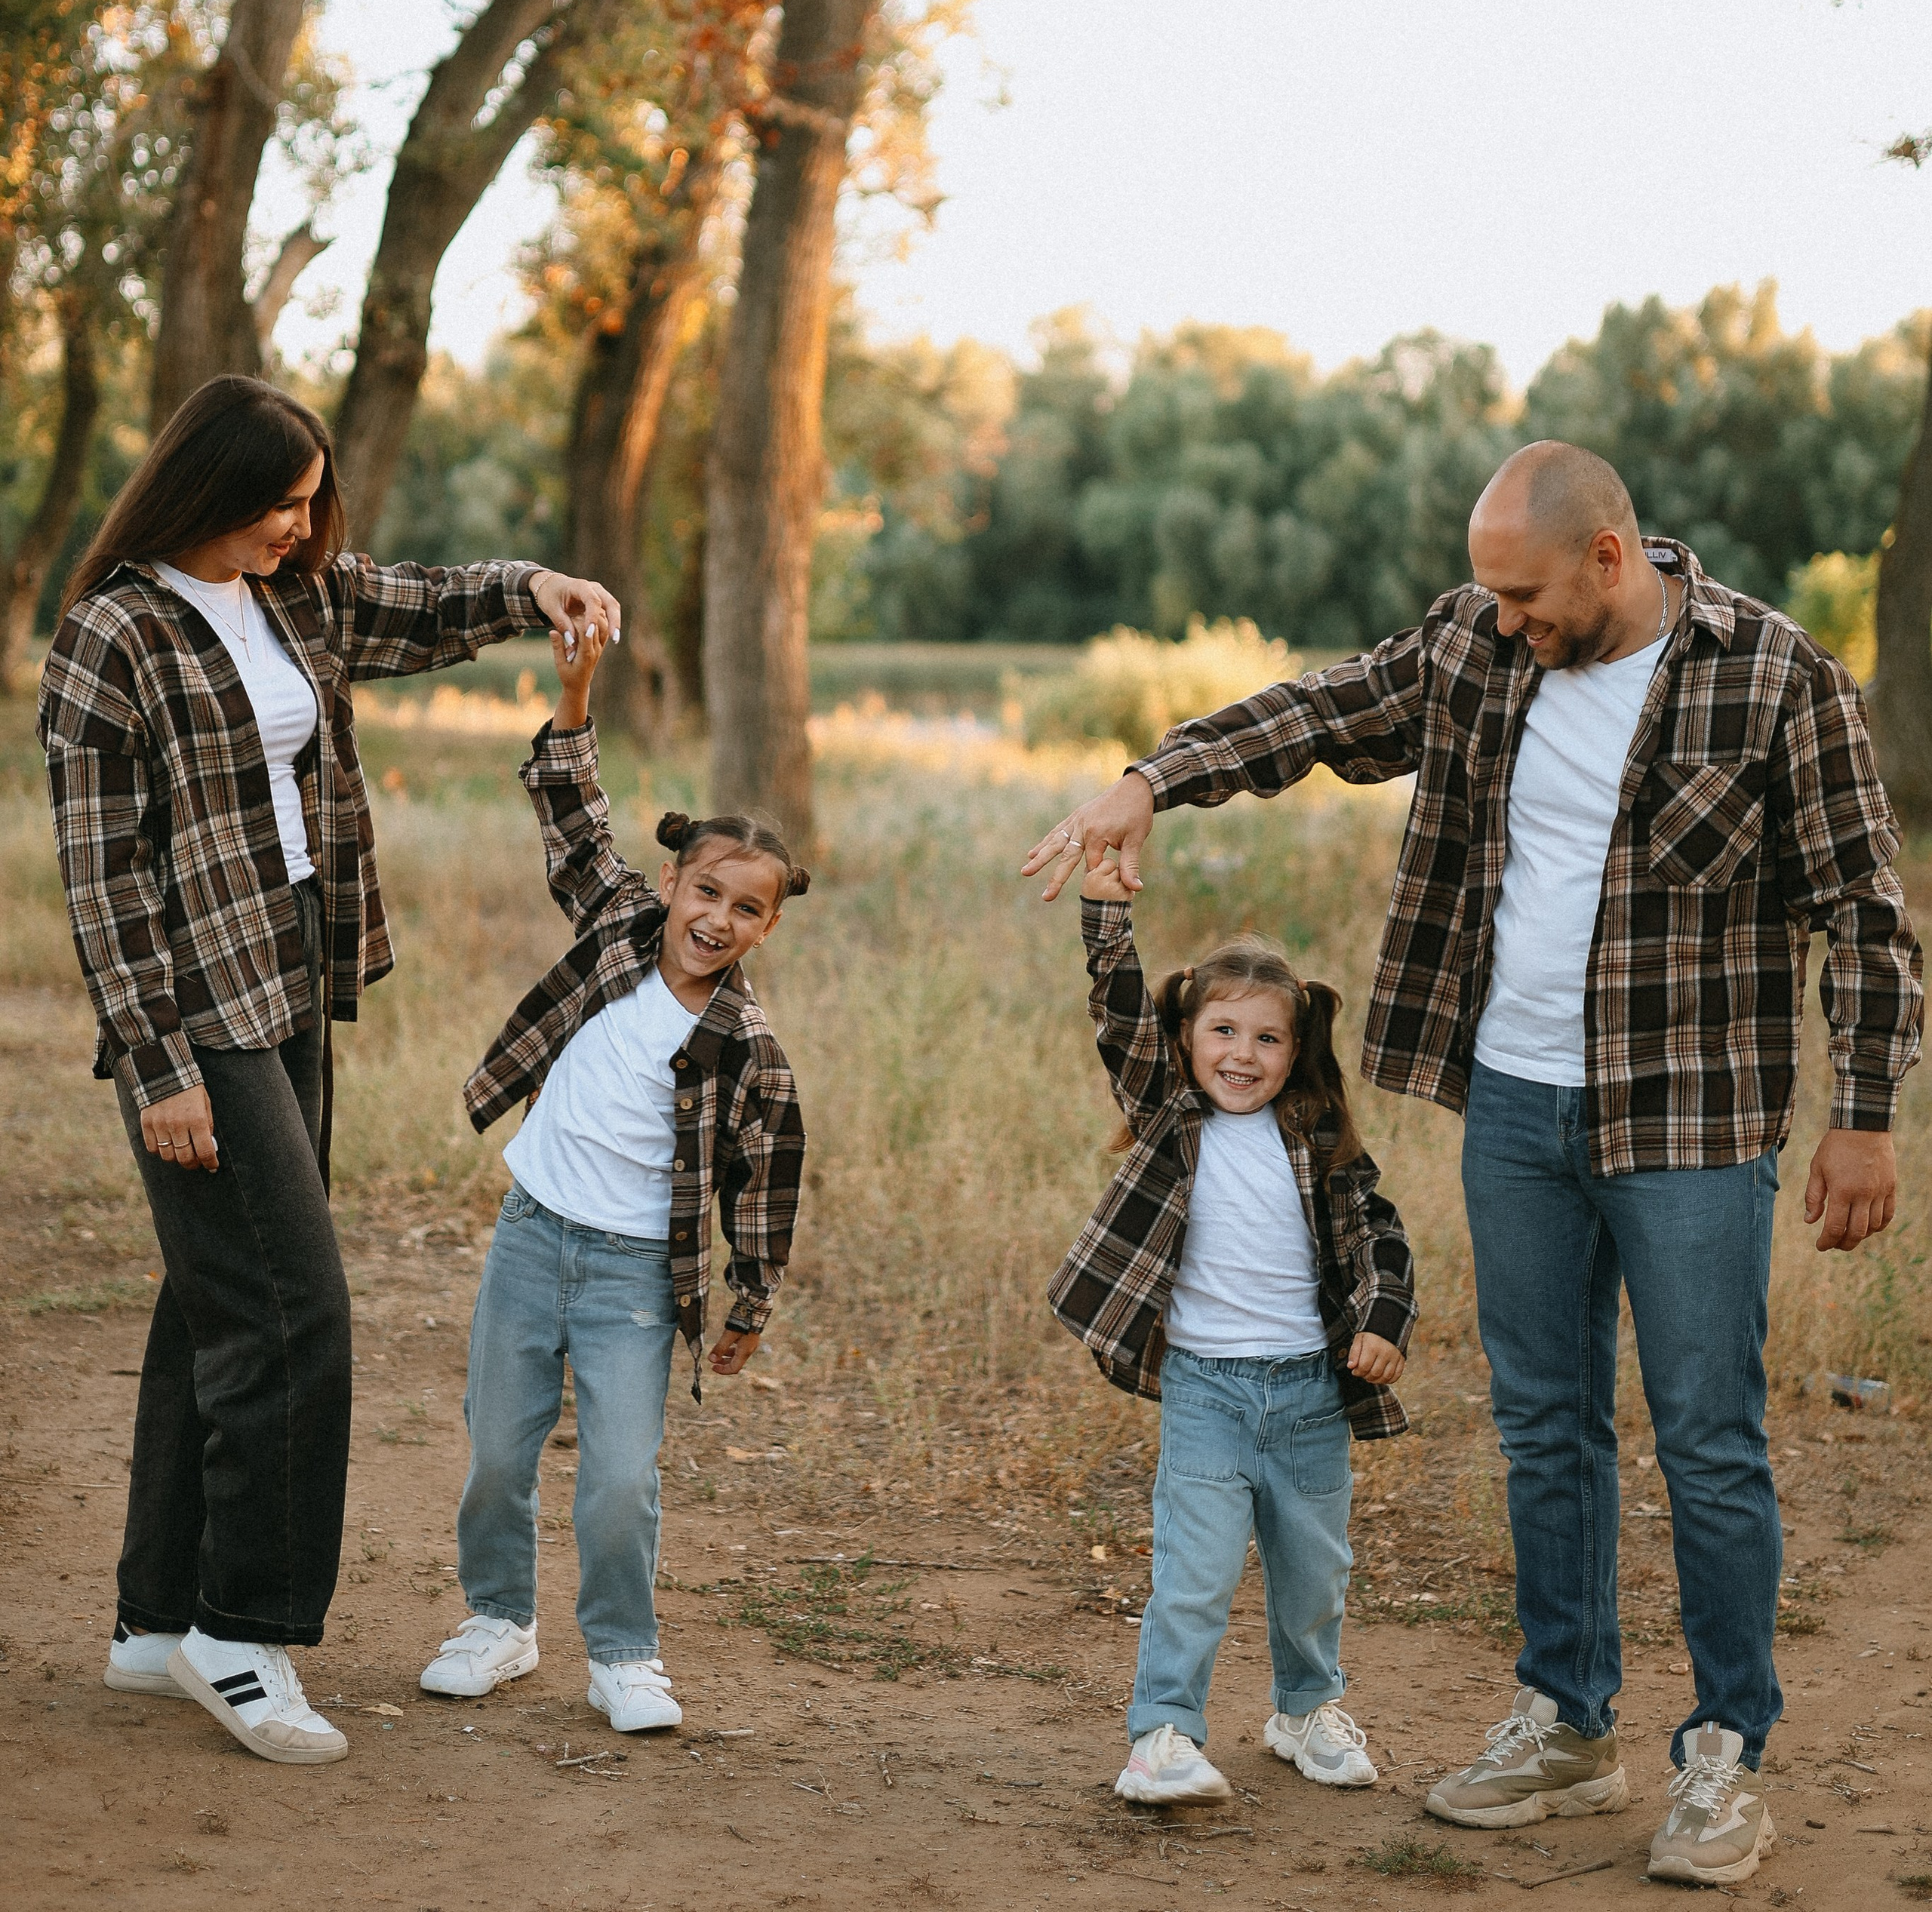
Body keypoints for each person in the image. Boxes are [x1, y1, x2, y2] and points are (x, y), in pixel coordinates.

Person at [1023, 441, 1921, 1889]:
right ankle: (1571, 1721)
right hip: (1516, 1104)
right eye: (1491, 594)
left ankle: (1724, 1752)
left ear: (1610, 558)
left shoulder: (1772, 675)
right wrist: (1154, 776)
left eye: (1526, 591)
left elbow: (1865, 908)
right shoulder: (1472, 643)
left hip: (1692, 1119)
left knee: (1707, 1436)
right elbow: (1319, 710)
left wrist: (1864, 1110)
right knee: (1546, 1423)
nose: (1504, 618)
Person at [38, 373, 621, 1766]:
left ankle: (150, 1620)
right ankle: (242, 1633)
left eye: (312, 507)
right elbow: (104, 880)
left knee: (212, 1298)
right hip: (199, 1004)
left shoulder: (292, 594)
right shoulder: (110, 635)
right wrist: (155, 1060)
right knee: (294, 1314)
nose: (301, 531)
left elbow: (409, 600)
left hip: (295, 969)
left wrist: (531, 584)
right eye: (278, 505)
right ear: (203, 489)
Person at [420, 611, 807, 1734]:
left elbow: (768, 1185)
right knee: (498, 1449)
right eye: (706, 894)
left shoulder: (752, 1054)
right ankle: (499, 1621)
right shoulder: (616, 929)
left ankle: (625, 1653)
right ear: (674, 883)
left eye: (747, 909)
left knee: (622, 1478)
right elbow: (572, 817)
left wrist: (749, 1303)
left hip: (640, 1272)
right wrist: (578, 692)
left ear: (768, 926)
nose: (717, 920)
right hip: (534, 1234)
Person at [1049, 850, 1415, 1808]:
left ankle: (1305, 1709)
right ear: (1185, 1037)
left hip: (1306, 1390)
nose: (1241, 1055)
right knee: (1194, 1573)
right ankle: (1161, 1736)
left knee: (1314, 1574)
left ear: (1296, 1051)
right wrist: (1104, 915)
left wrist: (1382, 1322)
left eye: (1265, 1038)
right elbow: (1119, 1019)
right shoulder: (1172, 1118)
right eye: (1221, 1031)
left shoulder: (1317, 1138)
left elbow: (1378, 1235)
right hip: (1207, 1389)